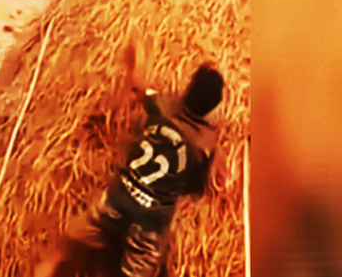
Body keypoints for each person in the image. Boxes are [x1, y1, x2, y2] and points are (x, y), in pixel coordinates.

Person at [33, 53, 225, 277]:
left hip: (116, 203)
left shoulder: (161, 105)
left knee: (61, 250)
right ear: (211, 107)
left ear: (189, 89)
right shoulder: (204, 145)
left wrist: (136, 57)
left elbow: (140, 86)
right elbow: (198, 188)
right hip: (147, 229)